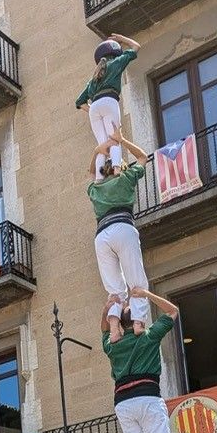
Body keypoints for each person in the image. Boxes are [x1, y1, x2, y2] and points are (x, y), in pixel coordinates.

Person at [103, 288, 181, 433]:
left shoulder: (112, 344)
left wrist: (109, 307)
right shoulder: (149, 335)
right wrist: (146, 294)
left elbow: (103, 330)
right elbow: (173, 310)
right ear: (137, 320)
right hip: (147, 396)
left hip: (123, 403)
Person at [88, 129, 151, 331]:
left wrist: (97, 151)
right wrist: (122, 140)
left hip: (101, 236)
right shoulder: (125, 178)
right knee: (137, 282)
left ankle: (114, 327)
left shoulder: (96, 189)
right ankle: (139, 323)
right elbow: (143, 157)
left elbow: (91, 174)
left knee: (115, 290)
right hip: (123, 228)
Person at [76, 35, 141, 178]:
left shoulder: (93, 79)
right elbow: (136, 46)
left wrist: (92, 110)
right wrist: (122, 38)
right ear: (115, 53)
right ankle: (117, 169)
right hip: (109, 100)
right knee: (115, 139)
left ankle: (99, 179)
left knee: (102, 145)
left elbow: (79, 102)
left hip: (94, 107)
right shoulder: (117, 63)